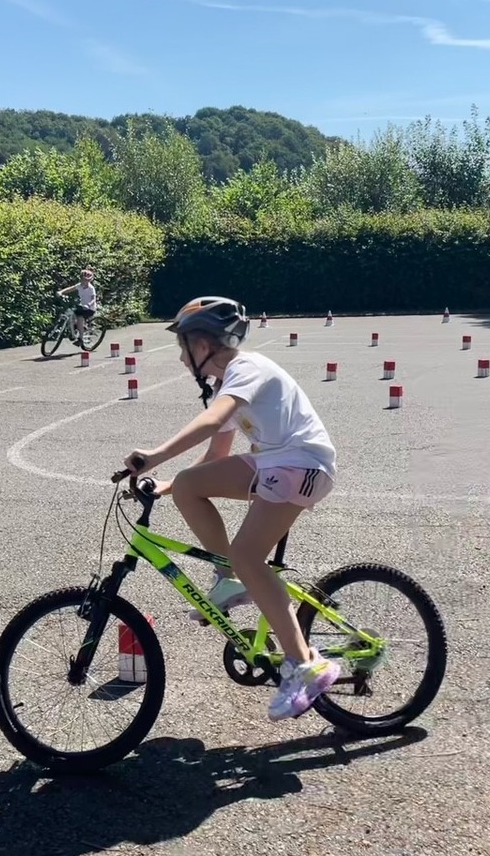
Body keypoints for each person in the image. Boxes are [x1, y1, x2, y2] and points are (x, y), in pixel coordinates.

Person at [122, 296, 341, 721]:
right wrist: (169, 484)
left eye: (183, 348)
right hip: (277, 464)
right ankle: (227, 580)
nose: (182, 359)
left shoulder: (246, 369)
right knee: (190, 486)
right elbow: (216, 454)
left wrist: (155, 454)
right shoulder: (228, 386)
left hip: (303, 464)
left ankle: (304, 664)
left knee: (247, 554)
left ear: (202, 344)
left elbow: (210, 422)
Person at [58, 268, 98, 344]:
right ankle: (76, 329)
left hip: (89, 308)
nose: (84, 281)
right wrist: (61, 292)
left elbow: (93, 299)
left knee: (79, 318)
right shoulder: (79, 285)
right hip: (82, 306)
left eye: (86, 280)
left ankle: (81, 339)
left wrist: (88, 304)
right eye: (83, 279)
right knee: (72, 314)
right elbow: (70, 289)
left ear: (89, 280)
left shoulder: (91, 288)